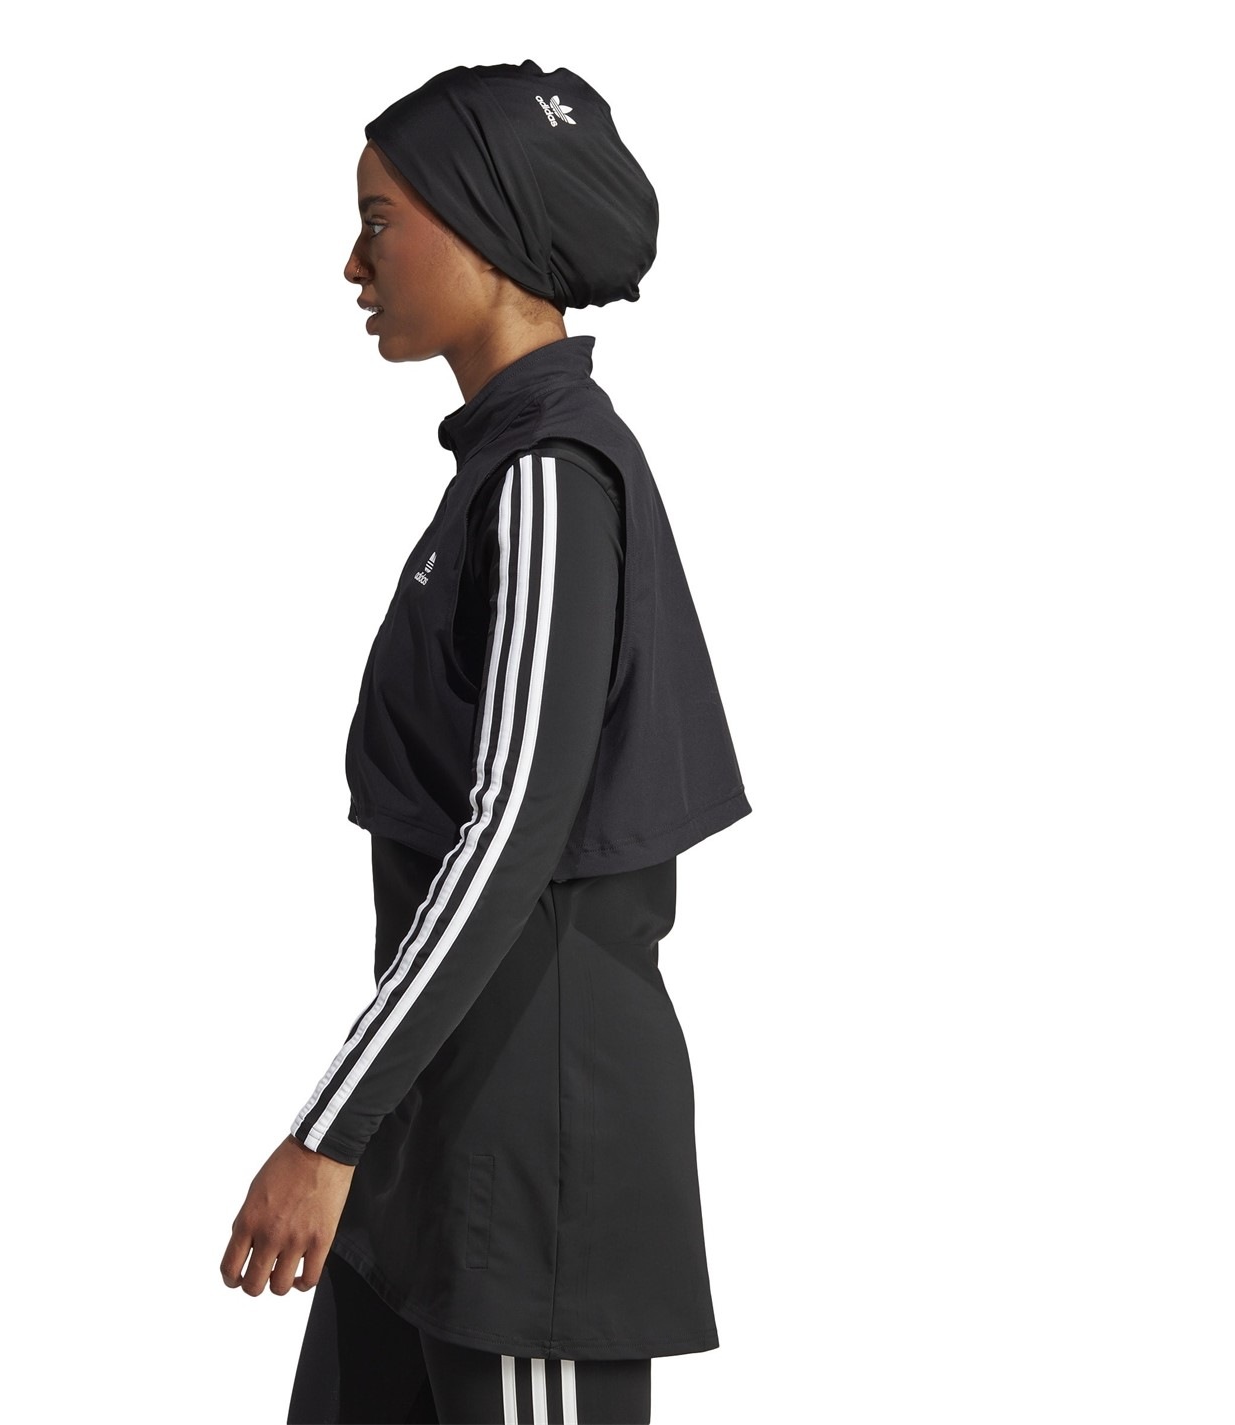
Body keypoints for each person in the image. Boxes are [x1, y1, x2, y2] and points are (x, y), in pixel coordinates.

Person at [220, 60, 750, 1424]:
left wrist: (326, 1130)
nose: (353, 264)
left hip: (529, 1181)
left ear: (488, 229)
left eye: (378, 221)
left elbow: (507, 838)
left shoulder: (549, 485)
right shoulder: (505, 476)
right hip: (436, 1149)